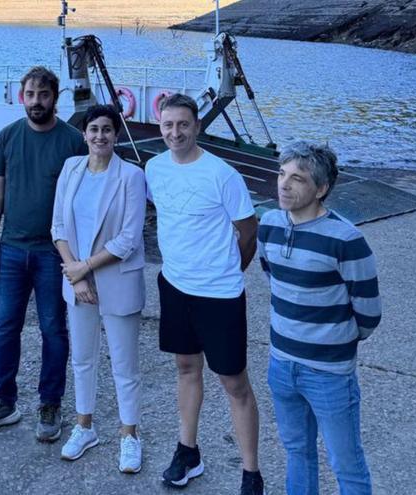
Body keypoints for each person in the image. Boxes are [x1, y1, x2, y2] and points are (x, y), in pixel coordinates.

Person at [145, 93, 264, 494]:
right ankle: (187, 451)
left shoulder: (222, 174)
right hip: (176, 286)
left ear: (197, 126)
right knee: (185, 368)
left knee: (234, 383)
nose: (175, 132)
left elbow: (248, 232)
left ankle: (251, 473)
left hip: (219, 294)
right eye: (168, 125)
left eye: (183, 124)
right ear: (159, 127)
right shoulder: (155, 168)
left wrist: (230, 270)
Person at [0, 66, 86, 441]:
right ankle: (4, 401)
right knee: (5, 327)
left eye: (43, 95)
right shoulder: (8, 137)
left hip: (54, 254)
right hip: (13, 249)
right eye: (30, 95)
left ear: (55, 97)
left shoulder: (73, 141)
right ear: (22, 97)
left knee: (53, 329)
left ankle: (50, 402)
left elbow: (84, 199)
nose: (36, 102)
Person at [259, 142, 381, 495]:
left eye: (297, 179)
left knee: (346, 462)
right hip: (281, 364)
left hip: (329, 372)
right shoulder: (268, 223)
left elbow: (369, 313)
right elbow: (275, 277)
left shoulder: (346, 239)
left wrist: (332, 339)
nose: (284, 184)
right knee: (297, 451)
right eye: (282, 174)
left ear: (321, 189)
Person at [51, 105, 147, 473]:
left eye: (107, 130)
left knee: (125, 364)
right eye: (93, 129)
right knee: (83, 358)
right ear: (85, 133)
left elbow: (129, 238)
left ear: (116, 135)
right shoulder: (71, 169)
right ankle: (84, 426)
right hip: (77, 282)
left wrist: (84, 269)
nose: (100, 136)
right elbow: (58, 225)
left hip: (115, 281)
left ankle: (129, 435)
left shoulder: (131, 176)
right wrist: (75, 275)